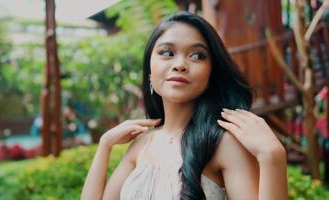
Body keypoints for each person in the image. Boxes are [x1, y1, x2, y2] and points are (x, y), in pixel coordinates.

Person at [81, 11, 288, 200]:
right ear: (150, 70)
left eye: (197, 55)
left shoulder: (223, 143)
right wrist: (105, 145)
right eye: (167, 53)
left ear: (210, 75)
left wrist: (273, 157)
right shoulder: (142, 143)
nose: (180, 64)